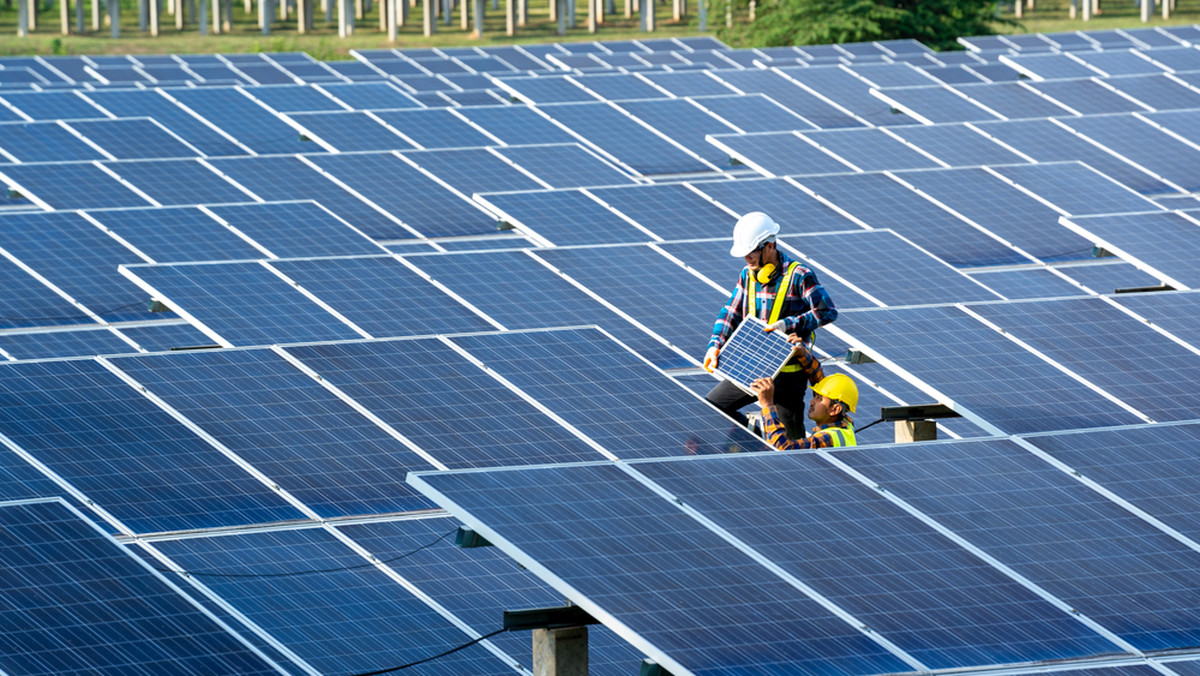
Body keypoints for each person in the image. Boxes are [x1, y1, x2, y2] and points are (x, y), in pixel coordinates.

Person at [703, 211, 838, 438]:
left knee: (790, 445)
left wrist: (789, 324)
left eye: (751, 252)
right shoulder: (747, 275)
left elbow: (828, 312)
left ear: (770, 246)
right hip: (751, 367)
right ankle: (752, 436)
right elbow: (730, 312)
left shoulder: (799, 275)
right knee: (712, 407)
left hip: (788, 376)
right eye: (744, 254)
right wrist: (715, 345)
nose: (747, 258)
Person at [749, 372, 858, 450]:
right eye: (815, 396)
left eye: (819, 398)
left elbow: (782, 448)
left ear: (835, 409)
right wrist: (803, 353)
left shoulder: (828, 438)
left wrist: (767, 405)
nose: (811, 401)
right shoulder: (846, 425)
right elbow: (818, 376)